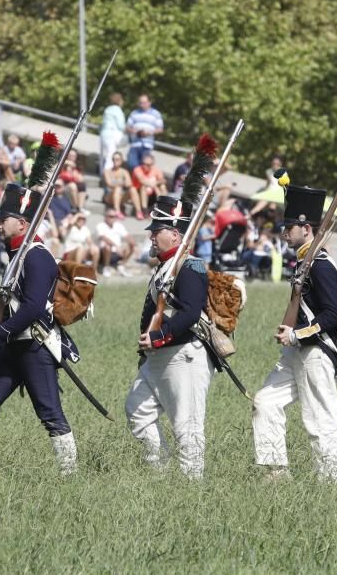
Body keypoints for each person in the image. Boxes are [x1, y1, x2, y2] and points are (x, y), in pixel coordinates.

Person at [0, 136, 79, 474]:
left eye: (5, 219)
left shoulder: (38, 256)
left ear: (22, 221)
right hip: (15, 345)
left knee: (49, 413)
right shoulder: (17, 255)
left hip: (35, 346)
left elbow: (32, 307)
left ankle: (70, 474)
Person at [252, 182, 337, 482]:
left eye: (290, 226)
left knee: (320, 419)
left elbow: (334, 314)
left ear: (306, 229)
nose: (284, 232)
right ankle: (276, 472)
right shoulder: (304, 261)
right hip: (295, 351)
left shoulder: (321, 264)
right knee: (265, 402)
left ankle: (332, 483)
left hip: (317, 351)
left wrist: (297, 335)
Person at [126, 189, 214, 480]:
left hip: (184, 354)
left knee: (187, 427)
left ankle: (192, 487)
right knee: (136, 411)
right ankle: (160, 470)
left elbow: (189, 314)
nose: (151, 236)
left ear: (175, 235)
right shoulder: (166, 267)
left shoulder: (191, 266)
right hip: (159, 356)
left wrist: (158, 337)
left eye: (157, 231)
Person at [126, 94, 164, 169]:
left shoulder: (156, 114)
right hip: (135, 144)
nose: (142, 105)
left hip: (147, 145)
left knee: (144, 166)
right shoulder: (134, 113)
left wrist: (148, 133)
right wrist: (135, 131)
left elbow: (160, 129)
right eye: (140, 102)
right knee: (131, 164)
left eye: (144, 102)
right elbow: (127, 127)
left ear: (149, 102)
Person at [96, 208, 135, 277]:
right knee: (107, 246)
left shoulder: (118, 225)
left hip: (118, 252)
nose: (113, 218)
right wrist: (116, 246)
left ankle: (121, 266)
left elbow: (127, 235)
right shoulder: (100, 225)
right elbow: (103, 238)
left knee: (131, 245)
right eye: (111, 216)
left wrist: (133, 243)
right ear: (105, 217)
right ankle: (106, 267)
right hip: (104, 253)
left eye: (114, 216)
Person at [102, 151, 140, 219]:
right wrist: (122, 182)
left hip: (121, 196)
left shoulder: (124, 172)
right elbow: (109, 183)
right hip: (109, 196)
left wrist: (118, 183)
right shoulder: (107, 171)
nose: (115, 161)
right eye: (113, 159)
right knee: (117, 188)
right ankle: (117, 211)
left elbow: (129, 183)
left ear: (121, 161)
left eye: (117, 159)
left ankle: (138, 211)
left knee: (133, 189)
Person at [132, 153, 167, 218]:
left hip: (152, 194)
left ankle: (162, 207)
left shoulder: (156, 170)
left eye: (148, 165)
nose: (145, 166)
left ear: (152, 165)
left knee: (163, 186)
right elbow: (142, 181)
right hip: (139, 193)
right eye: (143, 163)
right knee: (143, 186)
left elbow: (163, 180)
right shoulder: (137, 169)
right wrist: (153, 184)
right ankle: (144, 210)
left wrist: (155, 183)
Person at [98, 92, 125, 174]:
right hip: (112, 135)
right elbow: (121, 126)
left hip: (104, 134)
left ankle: (102, 173)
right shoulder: (117, 110)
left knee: (104, 156)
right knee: (111, 156)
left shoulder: (107, 109)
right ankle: (107, 176)